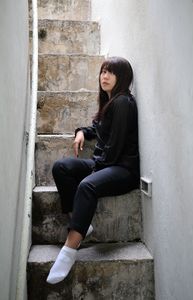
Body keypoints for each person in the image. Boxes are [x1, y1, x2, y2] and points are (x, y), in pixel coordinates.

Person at [46, 56, 140, 284]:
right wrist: (81, 132)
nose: (104, 76)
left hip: (123, 170)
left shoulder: (123, 103)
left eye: (110, 72)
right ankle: (82, 223)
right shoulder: (110, 102)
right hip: (104, 164)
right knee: (61, 167)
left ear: (123, 77)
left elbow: (115, 148)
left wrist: (93, 172)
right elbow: (96, 128)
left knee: (87, 185)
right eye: (102, 72)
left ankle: (70, 248)